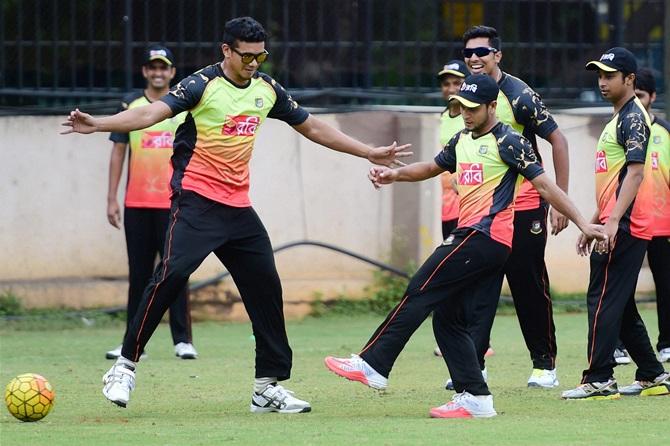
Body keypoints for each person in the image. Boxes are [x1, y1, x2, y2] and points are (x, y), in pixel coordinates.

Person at [61, 17, 411, 412]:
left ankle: (267, 386)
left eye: (261, 55)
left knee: (266, 288)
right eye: (246, 56)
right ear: (226, 50)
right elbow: (150, 115)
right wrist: (99, 123)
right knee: (171, 274)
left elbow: (312, 127)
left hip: (239, 209)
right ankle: (125, 366)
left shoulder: (267, 89)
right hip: (196, 201)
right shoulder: (200, 85)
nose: (254, 63)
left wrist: (367, 151)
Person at [325, 74, 605, 418]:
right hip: (475, 237)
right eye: (459, 107)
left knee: (421, 287)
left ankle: (373, 364)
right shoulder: (461, 139)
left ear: (492, 106)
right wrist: (394, 174)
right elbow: (430, 167)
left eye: (472, 108)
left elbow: (546, 187)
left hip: (486, 237)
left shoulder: (510, 141)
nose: (465, 113)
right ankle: (476, 397)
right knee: (448, 318)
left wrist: (583, 222)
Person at [456, 25, 570, 388]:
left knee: (526, 282)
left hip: (525, 205)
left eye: (482, 52)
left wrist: (560, 203)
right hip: (486, 209)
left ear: (498, 55)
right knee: (478, 283)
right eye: (469, 53)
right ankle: (475, 364)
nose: (474, 58)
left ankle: (544, 365)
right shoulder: (466, 96)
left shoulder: (519, 95)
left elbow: (559, 141)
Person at [561, 48, 669, 400]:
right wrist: (593, 222)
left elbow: (636, 174)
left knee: (603, 296)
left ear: (630, 79)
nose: (602, 82)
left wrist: (613, 223)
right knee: (619, 301)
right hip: (615, 222)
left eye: (610, 75)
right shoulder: (619, 118)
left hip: (626, 224)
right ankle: (652, 374)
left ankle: (599, 376)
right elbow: (615, 179)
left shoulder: (633, 118)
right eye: (600, 76)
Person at [105, 45, 198, 362]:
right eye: (152, 67)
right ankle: (133, 344)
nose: (158, 72)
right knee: (139, 274)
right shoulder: (130, 105)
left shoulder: (182, 107)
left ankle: (183, 340)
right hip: (137, 204)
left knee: (177, 271)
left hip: (173, 204)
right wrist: (111, 199)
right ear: (145, 71)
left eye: (164, 67)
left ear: (172, 73)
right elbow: (118, 152)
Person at [613, 68, 670, 366]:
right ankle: (620, 345)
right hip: (630, 223)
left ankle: (666, 343)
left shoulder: (664, 133)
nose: (636, 100)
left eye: (642, 96)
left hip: (662, 225)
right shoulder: (619, 128)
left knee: (666, 284)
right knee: (624, 286)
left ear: (652, 97)